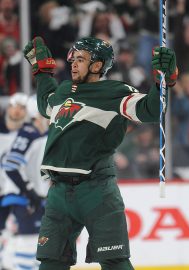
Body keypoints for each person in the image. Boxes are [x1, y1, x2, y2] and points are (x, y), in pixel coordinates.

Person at [23, 36, 178, 270]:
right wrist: (42, 73)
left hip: (97, 191)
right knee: (50, 262)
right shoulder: (65, 90)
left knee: (114, 262)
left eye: (81, 59)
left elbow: (150, 110)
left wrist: (163, 82)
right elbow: (46, 105)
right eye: (73, 58)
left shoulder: (115, 92)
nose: (74, 64)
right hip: (58, 193)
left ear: (97, 66)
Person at [0, 95, 49, 270]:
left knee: (36, 245)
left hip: (33, 197)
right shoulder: (29, 133)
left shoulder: (41, 133)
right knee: (27, 244)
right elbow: (10, 165)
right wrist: (29, 191)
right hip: (23, 198)